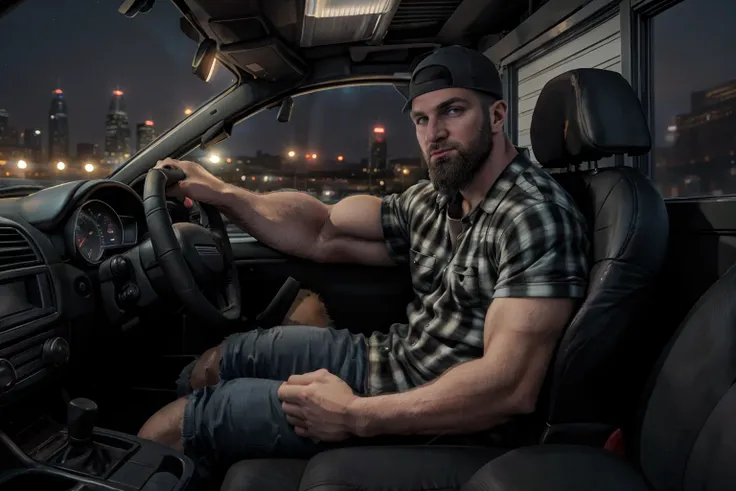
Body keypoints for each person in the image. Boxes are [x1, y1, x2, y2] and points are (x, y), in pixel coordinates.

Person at [137, 45, 590, 473]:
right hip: (389, 359)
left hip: (422, 416)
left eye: (453, 110)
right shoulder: (436, 199)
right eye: (421, 119)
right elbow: (322, 228)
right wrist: (222, 192)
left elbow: (509, 387)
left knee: (174, 428)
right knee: (218, 363)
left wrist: (354, 415)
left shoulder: (534, 216)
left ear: (496, 116)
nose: (435, 133)